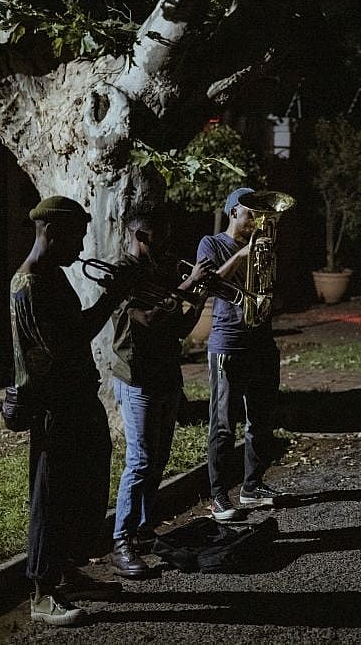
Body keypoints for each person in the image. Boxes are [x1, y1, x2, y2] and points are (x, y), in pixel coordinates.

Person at [10, 195, 131, 626]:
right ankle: (42, 595)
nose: (81, 249)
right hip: (54, 406)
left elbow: (73, 330)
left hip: (77, 399)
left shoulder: (53, 276)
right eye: (76, 237)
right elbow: (66, 344)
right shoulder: (28, 284)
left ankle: (65, 572)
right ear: (54, 233)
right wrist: (112, 299)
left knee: (81, 493)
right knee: (50, 497)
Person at [108, 203, 217, 578]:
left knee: (157, 461)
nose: (168, 243)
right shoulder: (123, 273)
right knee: (138, 462)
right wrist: (186, 286)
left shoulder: (162, 272)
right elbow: (146, 320)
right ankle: (120, 542)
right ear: (141, 237)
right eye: (161, 237)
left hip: (166, 375)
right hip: (137, 378)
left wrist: (200, 297)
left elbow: (178, 329)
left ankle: (141, 528)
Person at [197, 187, 284, 521]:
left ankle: (252, 486)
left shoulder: (264, 246)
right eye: (251, 215)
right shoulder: (212, 244)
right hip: (228, 343)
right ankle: (219, 496)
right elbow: (206, 285)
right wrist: (242, 256)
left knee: (260, 421)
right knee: (222, 426)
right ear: (233, 212)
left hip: (261, 342)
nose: (257, 222)